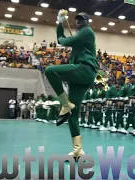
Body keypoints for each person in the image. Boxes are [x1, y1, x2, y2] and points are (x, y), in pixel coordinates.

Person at [44, 10, 98, 160]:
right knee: (74, 114)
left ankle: (65, 104)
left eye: (82, 19)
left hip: (85, 69)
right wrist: (60, 24)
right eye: (77, 19)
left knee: (50, 71)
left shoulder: (87, 31)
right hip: (81, 76)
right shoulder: (81, 36)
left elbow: (64, 41)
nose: (79, 21)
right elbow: (63, 40)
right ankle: (78, 149)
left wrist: (60, 25)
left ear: (88, 21)